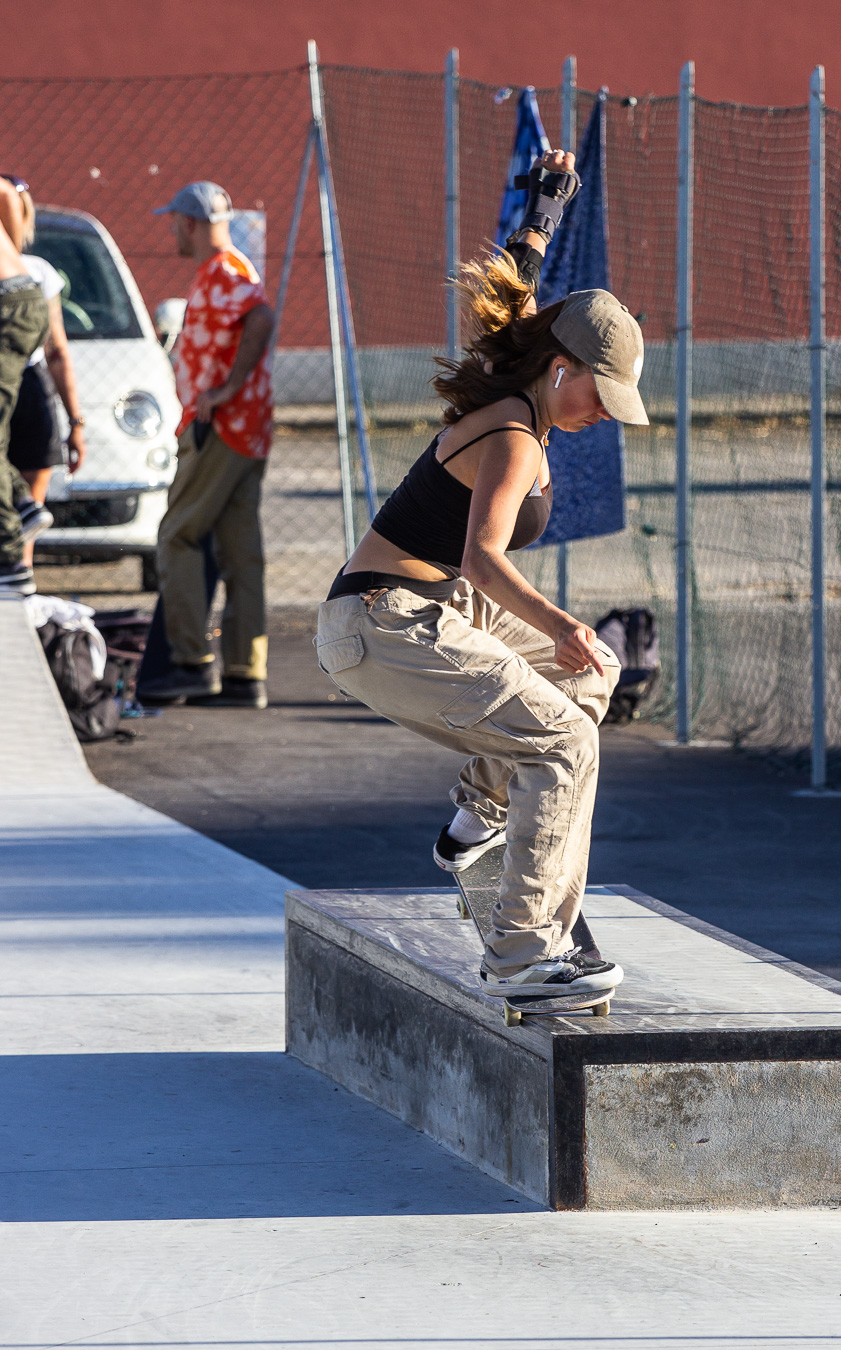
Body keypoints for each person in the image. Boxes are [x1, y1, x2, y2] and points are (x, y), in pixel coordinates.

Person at [315, 149, 649, 1007]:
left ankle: (477, 820)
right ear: (563, 370)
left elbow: (513, 283)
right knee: (566, 743)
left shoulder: (519, 370)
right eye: (597, 400)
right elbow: (484, 559)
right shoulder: (514, 433)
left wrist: (546, 208)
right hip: (383, 622)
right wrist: (565, 620)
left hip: (431, 609)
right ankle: (523, 954)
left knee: (590, 673)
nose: (598, 419)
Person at [137, 181, 275, 709]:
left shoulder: (222, 271)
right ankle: (245, 674)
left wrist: (224, 390)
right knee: (241, 552)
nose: (172, 229)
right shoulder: (232, 267)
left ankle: (190, 662)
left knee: (177, 535)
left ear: (190, 223)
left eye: (174, 221)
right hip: (246, 428)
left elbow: (259, 319)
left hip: (220, 428)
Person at [8, 185, 86, 568]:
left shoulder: (37, 271)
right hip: (25, 385)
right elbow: (58, 351)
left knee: (27, 512)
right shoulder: (35, 271)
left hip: (25, 386)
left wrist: (76, 422)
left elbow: (57, 351)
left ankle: (18, 589)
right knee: (24, 510)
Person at [0, 174, 50, 595]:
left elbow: (4, 189)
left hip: (8, 303)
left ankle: (9, 558)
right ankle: (23, 503)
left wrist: (10, 256)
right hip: (16, 299)